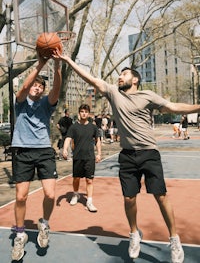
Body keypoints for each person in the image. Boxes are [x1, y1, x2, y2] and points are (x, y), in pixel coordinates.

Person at [54, 50, 200, 263]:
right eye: (119, 75)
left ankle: (174, 238)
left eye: (124, 74)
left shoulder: (147, 95)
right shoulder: (114, 93)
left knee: (160, 197)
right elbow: (91, 78)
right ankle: (134, 233)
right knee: (129, 198)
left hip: (149, 153)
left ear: (135, 79)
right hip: (127, 156)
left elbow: (174, 106)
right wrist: (68, 60)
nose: (119, 77)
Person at [11, 52, 62, 261]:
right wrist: (39, 66)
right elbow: (23, 88)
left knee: (50, 195)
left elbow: (56, 89)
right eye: (35, 85)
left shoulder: (45, 105)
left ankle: (44, 224)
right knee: (21, 196)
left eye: (41, 86)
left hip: (43, 151)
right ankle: (20, 234)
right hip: (22, 151)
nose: (37, 87)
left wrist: (57, 66)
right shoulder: (20, 103)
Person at [63, 104, 101, 212]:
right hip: (78, 157)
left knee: (89, 180)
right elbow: (68, 138)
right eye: (82, 111)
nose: (84, 113)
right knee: (76, 179)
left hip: (90, 157)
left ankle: (89, 201)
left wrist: (99, 154)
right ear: (79, 113)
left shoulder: (93, 127)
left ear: (88, 113)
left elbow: (98, 141)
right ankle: (76, 195)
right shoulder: (74, 127)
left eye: (86, 111)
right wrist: (65, 149)